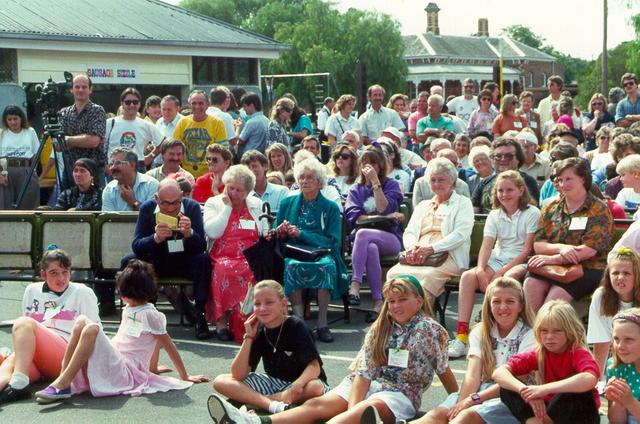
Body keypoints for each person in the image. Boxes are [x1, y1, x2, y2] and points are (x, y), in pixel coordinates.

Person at [207, 277, 458, 424]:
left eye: (403, 300)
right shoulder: (379, 328)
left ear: (419, 300)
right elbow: (363, 373)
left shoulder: (431, 330)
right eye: (391, 301)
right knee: (318, 406)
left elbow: (443, 369)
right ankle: (258, 421)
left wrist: (459, 401)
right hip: (367, 384)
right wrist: (350, 405)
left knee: (361, 410)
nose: (396, 306)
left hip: (400, 393)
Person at [33, 260, 208, 403]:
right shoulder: (130, 308)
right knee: (80, 321)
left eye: (124, 293)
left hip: (124, 370)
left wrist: (185, 375)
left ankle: (63, 383)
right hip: (117, 358)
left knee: (92, 327)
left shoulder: (151, 314)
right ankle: (63, 377)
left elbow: (167, 344)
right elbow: (152, 341)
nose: (122, 297)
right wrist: (152, 368)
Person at [449, 171, 540, 359]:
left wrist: (500, 273)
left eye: (509, 190)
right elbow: (487, 245)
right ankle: (462, 336)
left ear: (521, 190)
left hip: (520, 262)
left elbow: (526, 250)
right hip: (497, 259)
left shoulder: (532, 213)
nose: (504, 194)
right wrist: (481, 269)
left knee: (506, 281)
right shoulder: (495, 215)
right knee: (468, 277)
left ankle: (492, 333)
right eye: (500, 190)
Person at [419, 278, 535, 424]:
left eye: (510, 301)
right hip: (479, 390)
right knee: (437, 416)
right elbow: (473, 375)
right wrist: (461, 403)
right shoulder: (480, 331)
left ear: (521, 306)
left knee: (464, 418)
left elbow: (516, 381)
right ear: (489, 305)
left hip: (510, 395)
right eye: (496, 302)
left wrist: (471, 402)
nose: (503, 307)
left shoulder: (529, 335)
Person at [212, 280, 328, 413]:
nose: (262, 308)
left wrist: (298, 384)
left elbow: (314, 367)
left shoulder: (296, 326)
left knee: (315, 387)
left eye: (269, 302)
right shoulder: (259, 330)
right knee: (220, 381)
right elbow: (238, 374)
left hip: (303, 383)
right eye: (257, 304)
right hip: (275, 383)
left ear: (283, 304)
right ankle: (272, 405)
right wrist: (248, 337)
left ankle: (256, 403)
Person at [0, 248, 99, 403]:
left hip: (67, 356)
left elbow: (93, 334)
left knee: (23, 323)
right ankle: (18, 382)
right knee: (9, 365)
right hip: (40, 359)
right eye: (54, 273)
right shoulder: (31, 290)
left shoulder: (82, 292)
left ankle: (20, 385)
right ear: (43, 275)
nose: (61, 278)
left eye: (65, 272)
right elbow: (24, 337)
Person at [524, 157, 614, 311]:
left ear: (583, 179)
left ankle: (546, 331)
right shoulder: (550, 208)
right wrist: (561, 249)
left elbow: (589, 249)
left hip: (586, 268)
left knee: (552, 302)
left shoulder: (598, 209)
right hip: (552, 266)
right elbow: (539, 244)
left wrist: (553, 258)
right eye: (560, 180)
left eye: (568, 179)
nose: (563, 184)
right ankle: (529, 333)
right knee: (531, 285)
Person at [126, 178, 211, 339]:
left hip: (184, 260)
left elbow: (201, 246)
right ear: (157, 198)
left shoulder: (192, 207)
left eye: (176, 203)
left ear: (182, 196)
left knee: (203, 260)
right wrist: (155, 238)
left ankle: (200, 315)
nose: (171, 208)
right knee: (130, 262)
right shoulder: (147, 208)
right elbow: (137, 246)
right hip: (158, 261)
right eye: (165, 203)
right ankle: (141, 314)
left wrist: (190, 234)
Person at [275, 157, 349, 342]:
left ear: (319, 182)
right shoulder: (287, 203)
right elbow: (278, 235)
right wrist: (281, 230)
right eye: (301, 177)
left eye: (310, 177)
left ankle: (322, 323)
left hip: (322, 253)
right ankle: (299, 321)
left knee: (326, 267)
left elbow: (332, 241)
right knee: (291, 266)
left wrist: (301, 234)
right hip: (293, 251)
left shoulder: (330, 207)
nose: (305, 181)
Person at [493, 300, 600, 424]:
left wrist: (544, 389)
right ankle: (533, 422)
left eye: (557, 331)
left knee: (569, 392)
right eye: (544, 331)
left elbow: (590, 378)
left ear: (570, 331)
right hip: (547, 410)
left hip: (579, 416)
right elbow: (499, 373)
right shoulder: (539, 353)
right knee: (507, 387)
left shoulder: (578, 352)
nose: (549, 337)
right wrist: (525, 391)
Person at [387, 158, 474, 307]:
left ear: (452, 181)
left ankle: (422, 325)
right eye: (433, 180)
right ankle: (397, 323)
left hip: (448, 256)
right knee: (393, 275)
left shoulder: (463, 203)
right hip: (418, 255)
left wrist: (431, 249)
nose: (436, 184)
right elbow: (410, 232)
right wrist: (412, 248)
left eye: (441, 180)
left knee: (426, 278)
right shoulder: (423, 205)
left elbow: (461, 234)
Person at [203, 165, 268, 340]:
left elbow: (263, 230)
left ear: (247, 192)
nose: (232, 193)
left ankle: (246, 320)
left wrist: (268, 231)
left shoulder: (256, 204)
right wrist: (227, 208)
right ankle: (221, 322)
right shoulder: (214, 203)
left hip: (249, 255)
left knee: (251, 270)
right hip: (222, 254)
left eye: (238, 190)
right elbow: (213, 232)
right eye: (230, 187)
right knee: (223, 270)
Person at [345, 148, 404, 321]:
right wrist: (384, 217)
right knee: (370, 247)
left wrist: (376, 183)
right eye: (364, 163)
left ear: (380, 166)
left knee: (363, 234)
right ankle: (378, 303)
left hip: (390, 237)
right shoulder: (356, 190)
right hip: (365, 241)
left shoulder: (391, 185)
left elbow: (384, 207)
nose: (368, 167)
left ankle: (355, 284)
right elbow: (356, 218)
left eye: (372, 163)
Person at [588, 247, 640, 383]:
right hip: (620, 360)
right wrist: (596, 381)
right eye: (615, 273)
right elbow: (601, 342)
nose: (620, 277)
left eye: (627, 273)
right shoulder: (601, 297)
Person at [59, 74, 107, 186]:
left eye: (84, 87)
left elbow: (94, 141)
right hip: (70, 171)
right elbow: (58, 145)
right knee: (67, 203)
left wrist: (68, 140)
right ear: (71, 89)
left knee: (95, 203)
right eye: (77, 87)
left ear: (90, 90)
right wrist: (83, 139)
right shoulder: (64, 113)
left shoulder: (97, 111)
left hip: (92, 171)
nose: (80, 90)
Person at [472, 137, 540, 213]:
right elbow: (474, 212)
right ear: (492, 159)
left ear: (518, 158)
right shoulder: (484, 183)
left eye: (509, 156)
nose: (503, 159)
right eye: (498, 156)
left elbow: (532, 211)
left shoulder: (528, 182)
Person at [105, 88, 164, 173]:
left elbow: (162, 143)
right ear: (122, 104)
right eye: (128, 102)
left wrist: (150, 157)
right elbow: (100, 146)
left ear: (139, 104)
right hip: (114, 166)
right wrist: (105, 165)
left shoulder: (145, 124)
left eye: (135, 102)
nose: (132, 105)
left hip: (138, 166)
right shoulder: (110, 123)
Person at [172, 90, 226, 179]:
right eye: (194, 103)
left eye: (201, 103)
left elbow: (223, 151)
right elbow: (175, 147)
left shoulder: (217, 123)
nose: (197, 106)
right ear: (189, 105)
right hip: (186, 175)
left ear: (208, 104)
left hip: (210, 175)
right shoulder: (182, 122)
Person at [0, 105, 40, 209]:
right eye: (9, 119)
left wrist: (33, 173)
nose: (13, 122)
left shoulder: (30, 132)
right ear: (5, 120)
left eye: (15, 119)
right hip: (6, 172)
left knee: (27, 203)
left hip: (26, 170)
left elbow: (36, 154)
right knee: (6, 205)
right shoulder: (2, 134)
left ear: (21, 118)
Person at [604, 307, 640, 423]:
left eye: (628, 339)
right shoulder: (614, 366)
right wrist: (617, 400)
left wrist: (630, 402)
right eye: (616, 339)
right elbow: (617, 422)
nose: (620, 346)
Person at [101, 147, 159, 211]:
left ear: (132, 165)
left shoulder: (151, 185)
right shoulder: (109, 189)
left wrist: (133, 202)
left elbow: (152, 216)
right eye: (111, 164)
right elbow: (108, 218)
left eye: (118, 163)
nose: (112, 168)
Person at [242, 150, 289, 214]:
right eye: (247, 168)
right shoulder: (242, 195)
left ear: (266, 166)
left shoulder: (282, 192)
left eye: (254, 166)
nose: (251, 171)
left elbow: (283, 217)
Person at [154, 95, 182, 167]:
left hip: (176, 165)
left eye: (169, 110)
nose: (166, 112)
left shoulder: (183, 122)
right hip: (158, 164)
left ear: (177, 109)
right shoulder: (159, 122)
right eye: (163, 109)